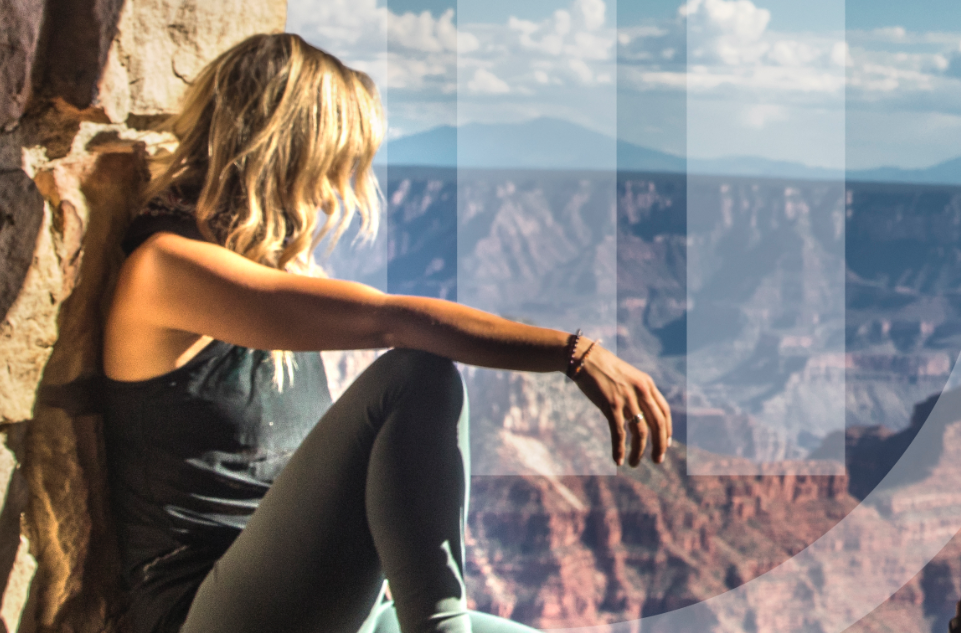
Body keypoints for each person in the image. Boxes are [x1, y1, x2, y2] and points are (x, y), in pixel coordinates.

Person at [102, 33, 673, 633]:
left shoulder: (254, 268)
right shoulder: (166, 269)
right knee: (416, 375)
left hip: (335, 609)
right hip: (207, 615)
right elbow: (391, 321)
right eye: (332, 164)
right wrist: (574, 354)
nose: (331, 193)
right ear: (286, 151)